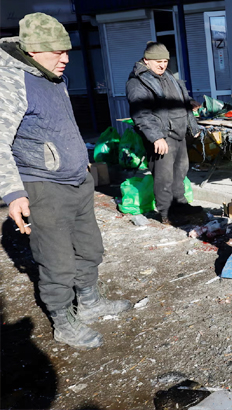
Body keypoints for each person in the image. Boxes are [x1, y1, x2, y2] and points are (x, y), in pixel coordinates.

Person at [0, 13, 131, 349]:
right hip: (43, 188)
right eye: (57, 52)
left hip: (77, 181)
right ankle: (63, 322)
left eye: (67, 50)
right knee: (56, 261)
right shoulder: (11, 82)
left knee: (89, 248)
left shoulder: (54, 77)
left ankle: (89, 303)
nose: (66, 58)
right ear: (32, 51)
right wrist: (13, 193)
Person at [126, 42, 201, 224]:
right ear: (146, 60)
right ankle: (167, 214)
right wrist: (156, 137)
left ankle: (180, 206)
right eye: (158, 61)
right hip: (161, 136)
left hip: (179, 133)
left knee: (180, 173)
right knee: (164, 177)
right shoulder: (137, 83)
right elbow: (141, 114)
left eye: (165, 61)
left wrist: (190, 105)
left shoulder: (168, 76)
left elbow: (178, 98)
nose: (162, 65)